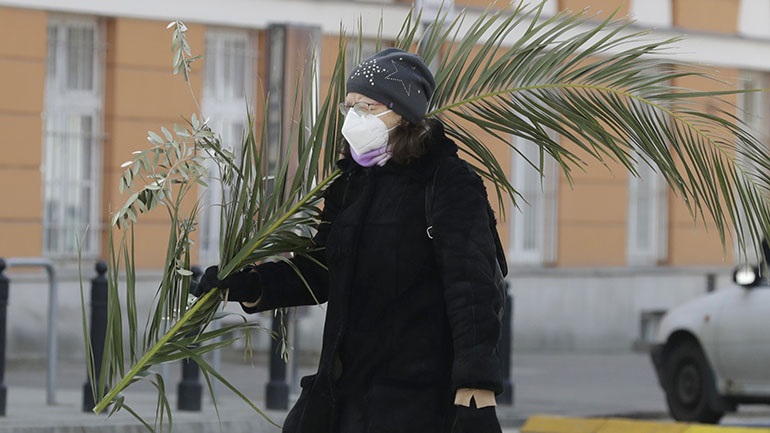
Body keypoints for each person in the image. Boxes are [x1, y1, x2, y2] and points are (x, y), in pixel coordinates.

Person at [198, 47, 505, 433]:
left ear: (403, 113)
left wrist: (476, 385)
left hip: (413, 402)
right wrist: (250, 285)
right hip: (339, 395)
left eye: (367, 107)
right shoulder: (351, 183)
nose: (354, 118)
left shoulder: (447, 181)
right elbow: (319, 270)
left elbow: (472, 288)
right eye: (350, 107)